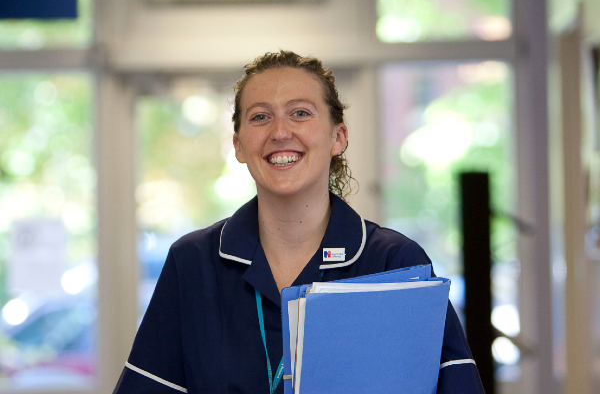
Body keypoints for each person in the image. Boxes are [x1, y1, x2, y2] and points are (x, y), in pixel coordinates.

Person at [113, 50, 485, 393]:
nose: (279, 132)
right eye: (260, 117)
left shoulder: (394, 261)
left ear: (337, 136)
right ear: (239, 145)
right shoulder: (193, 263)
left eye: (301, 113)